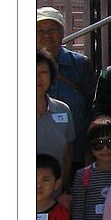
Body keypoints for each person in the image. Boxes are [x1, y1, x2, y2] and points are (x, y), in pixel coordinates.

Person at [37, 6, 97, 160]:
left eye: (52, 30)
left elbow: (94, 105)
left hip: (78, 152)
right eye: (40, 30)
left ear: (62, 33)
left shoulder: (80, 64)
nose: (46, 35)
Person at [37, 48, 76, 185]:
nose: (38, 78)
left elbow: (67, 155)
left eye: (43, 72)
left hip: (56, 193)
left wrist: (63, 187)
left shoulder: (63, 109)